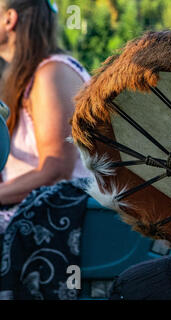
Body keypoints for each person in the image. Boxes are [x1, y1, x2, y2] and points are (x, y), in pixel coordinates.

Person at [0, 0, 92, 300]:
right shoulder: (28, 77)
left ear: (9, 19)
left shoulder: (52, 73)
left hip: (57, 217)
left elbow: (56, 169)